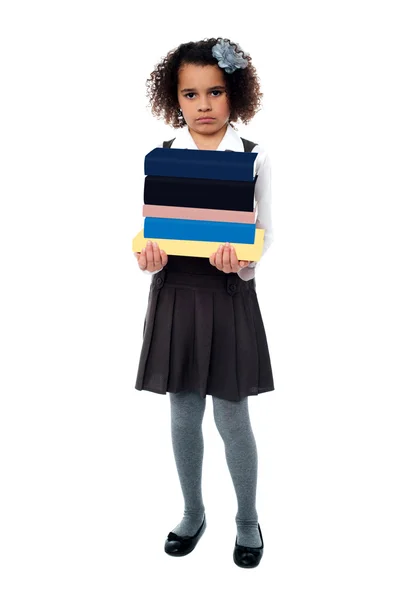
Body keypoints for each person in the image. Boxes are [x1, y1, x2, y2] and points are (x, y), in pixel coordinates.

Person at [134, 37, 274, 568]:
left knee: (232, 415)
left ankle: (246, 519)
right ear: (176, 99)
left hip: (229, 290)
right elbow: (154, 227)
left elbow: (270, 230)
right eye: (190, 94)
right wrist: (148, 256)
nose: (204, 105)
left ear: (234, 93)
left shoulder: (253, 158)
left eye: (215, 91)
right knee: (183, 412)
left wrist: (244, 261)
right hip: (174, 292)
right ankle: (192, 512)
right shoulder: (162, 157)